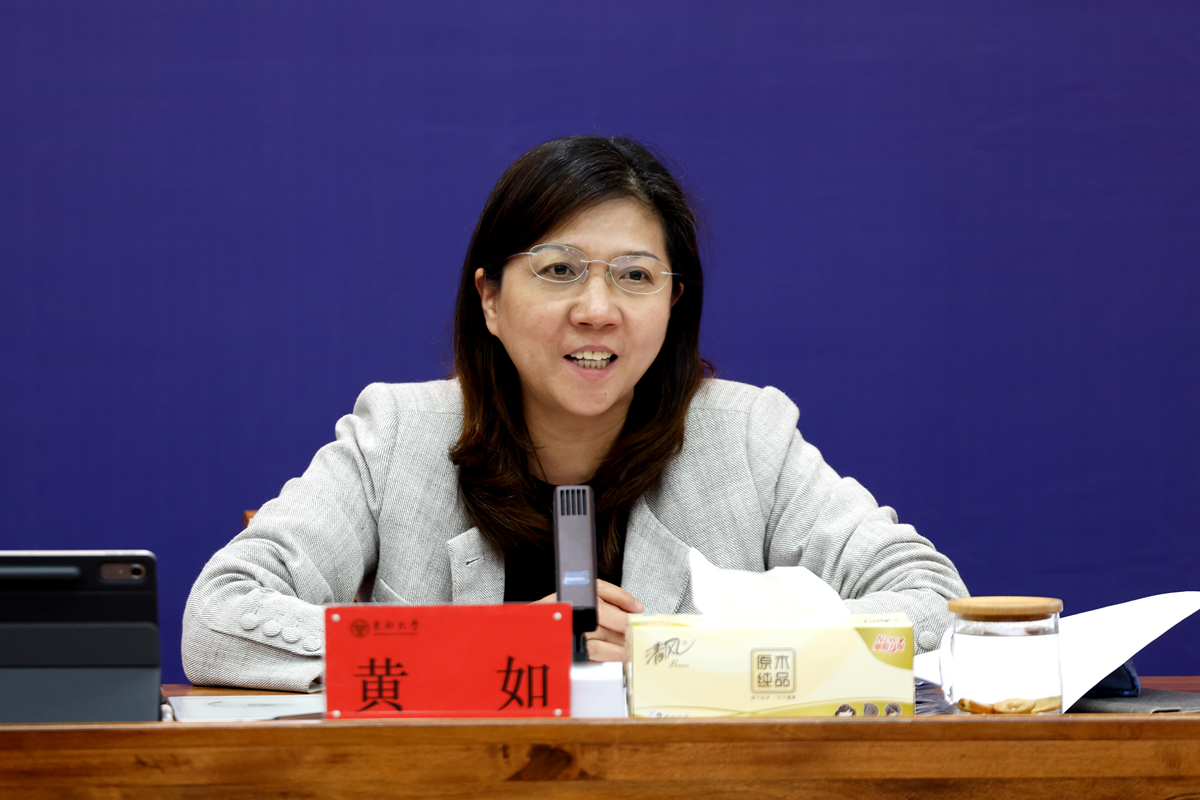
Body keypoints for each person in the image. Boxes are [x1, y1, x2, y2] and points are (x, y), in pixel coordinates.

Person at [182, 135, 967, 691]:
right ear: (490, 298)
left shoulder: (745, 439)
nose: (597, 309)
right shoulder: (397, 437)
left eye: (635, 276)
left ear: (673, 304)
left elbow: (933, 602)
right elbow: (219, 618)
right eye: (559, 270)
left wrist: (684, 656)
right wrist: (496, 651)